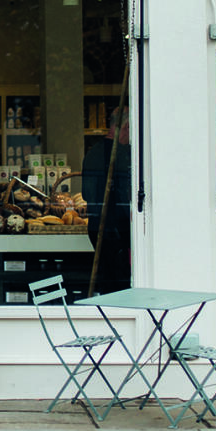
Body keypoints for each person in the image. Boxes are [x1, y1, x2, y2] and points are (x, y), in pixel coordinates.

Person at [82, 108, 131, 293]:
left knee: (108, 283)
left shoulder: (93, 153)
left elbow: (87, 195)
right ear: (125, 127)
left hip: (98, 228)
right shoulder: (121, 155)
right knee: (119, 288)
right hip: (115, 232)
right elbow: (123, 200)